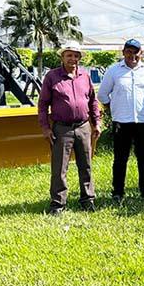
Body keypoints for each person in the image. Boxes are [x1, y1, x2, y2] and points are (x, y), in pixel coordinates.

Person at [38, 41, 101, 215]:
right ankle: (58, 204)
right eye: (69, 55)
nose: (72, 58)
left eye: (75, 55)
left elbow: (93, 101)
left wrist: (96, 123)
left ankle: (88, 200)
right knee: (59, 168)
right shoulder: (52, 76)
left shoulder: (85, 77)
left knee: (86, 165)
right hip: (61, 129)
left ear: (79, 58)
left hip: (83, 127)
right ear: (62, 57)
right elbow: (43, 104)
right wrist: (45, 128)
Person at [97, 38, 144, 203]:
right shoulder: (113, 71)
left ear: (141, 53)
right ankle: (118, 192)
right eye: (129, 52)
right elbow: (102, 94)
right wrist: (115, 107)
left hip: (143, 122)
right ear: (124, 52)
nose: (132, 55)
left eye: (136, 52)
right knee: (120, 159)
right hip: (121, 122)